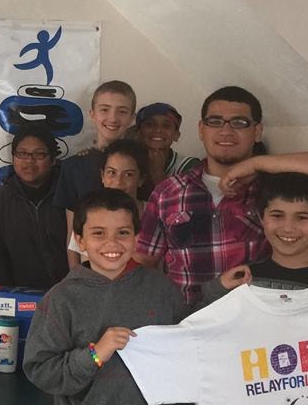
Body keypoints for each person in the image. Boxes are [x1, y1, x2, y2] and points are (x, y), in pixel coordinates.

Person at [23, 188, 189, 405]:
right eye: (98, 233)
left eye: (123, 232)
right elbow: (41, 370)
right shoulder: (61, 299)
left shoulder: (162, 290)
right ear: (80, 240)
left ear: (136, 237)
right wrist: (95, 354)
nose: (112, 243)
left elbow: (191, 343)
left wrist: (217, 291)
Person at [135, 86, 308, 304]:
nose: (226, 131)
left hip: (259, 320)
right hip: (189, 320)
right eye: (215, 121)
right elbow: (144, 261)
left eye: (239, 122)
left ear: (257, 131)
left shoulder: (275, 189)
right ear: (201, 129)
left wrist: (256, 164)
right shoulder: (168, 192)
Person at [52, 80, 137, 269]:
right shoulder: (74, 166)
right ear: (92, 114)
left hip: (132, 267)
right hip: (89, 268)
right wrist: (76, 276)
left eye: (122, 111)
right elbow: (72, 231)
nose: (112, 118)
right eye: (104, 110)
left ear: (132, 118)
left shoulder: (139, 162)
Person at [0, 124, 68, 289]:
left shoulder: (68, 195)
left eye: (39, 154)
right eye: (22, 154)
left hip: (66, 294)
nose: (29, 161)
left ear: (53, 159)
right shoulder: (0, 200)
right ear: (13, 158)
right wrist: (6, 297)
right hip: (17, 296)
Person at [67, 138, 148, 262]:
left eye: (128, 174)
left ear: (141, 179)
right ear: (102, 176)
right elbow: (76, 264)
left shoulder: (154, 214)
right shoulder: (87, 212)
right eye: (111, 172)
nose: (118, 182)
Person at [134, 102, 199, 196]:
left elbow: (186, 203)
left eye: (166, 126)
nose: (158, 130)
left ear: (176, 135)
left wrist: (157, 173)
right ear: (138, 132)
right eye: (150, 124)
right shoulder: (128, 161)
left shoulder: (189, 166)